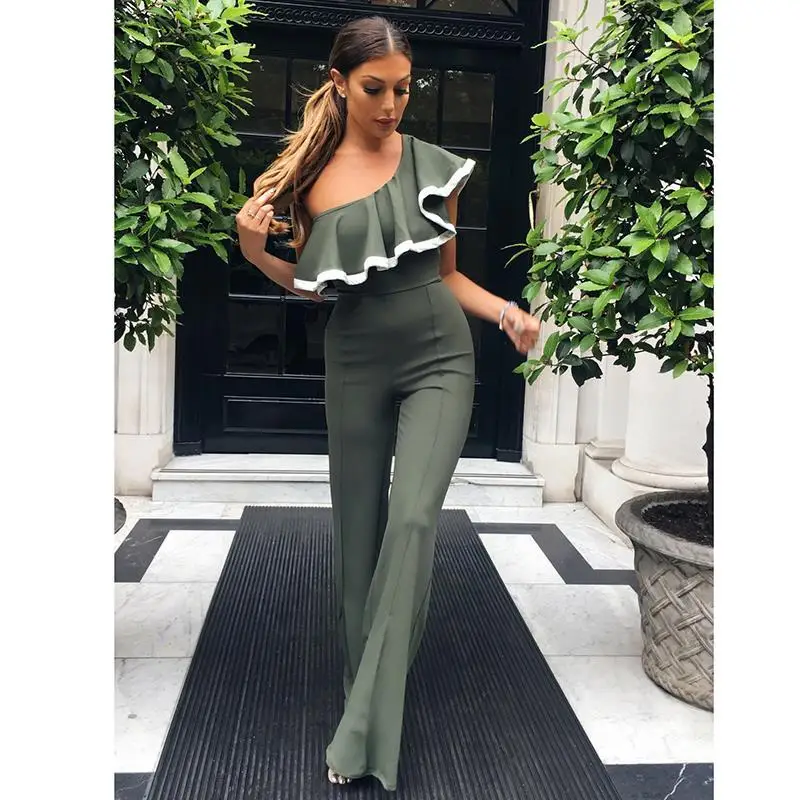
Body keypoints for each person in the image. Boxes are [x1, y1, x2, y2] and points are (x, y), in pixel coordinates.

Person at [235, 15, 541, 792]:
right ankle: (363, 695)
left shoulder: (434, 166)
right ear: (338, 83)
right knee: (358, 536)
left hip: (441, 356)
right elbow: (312, 286)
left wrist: (506, 312)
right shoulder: (304, 179)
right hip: (356, 362)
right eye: (375, 89)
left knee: (411, 523)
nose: (392, 105)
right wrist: (253, 252)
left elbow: (448, 275)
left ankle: (365, 725)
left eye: (404, 89)